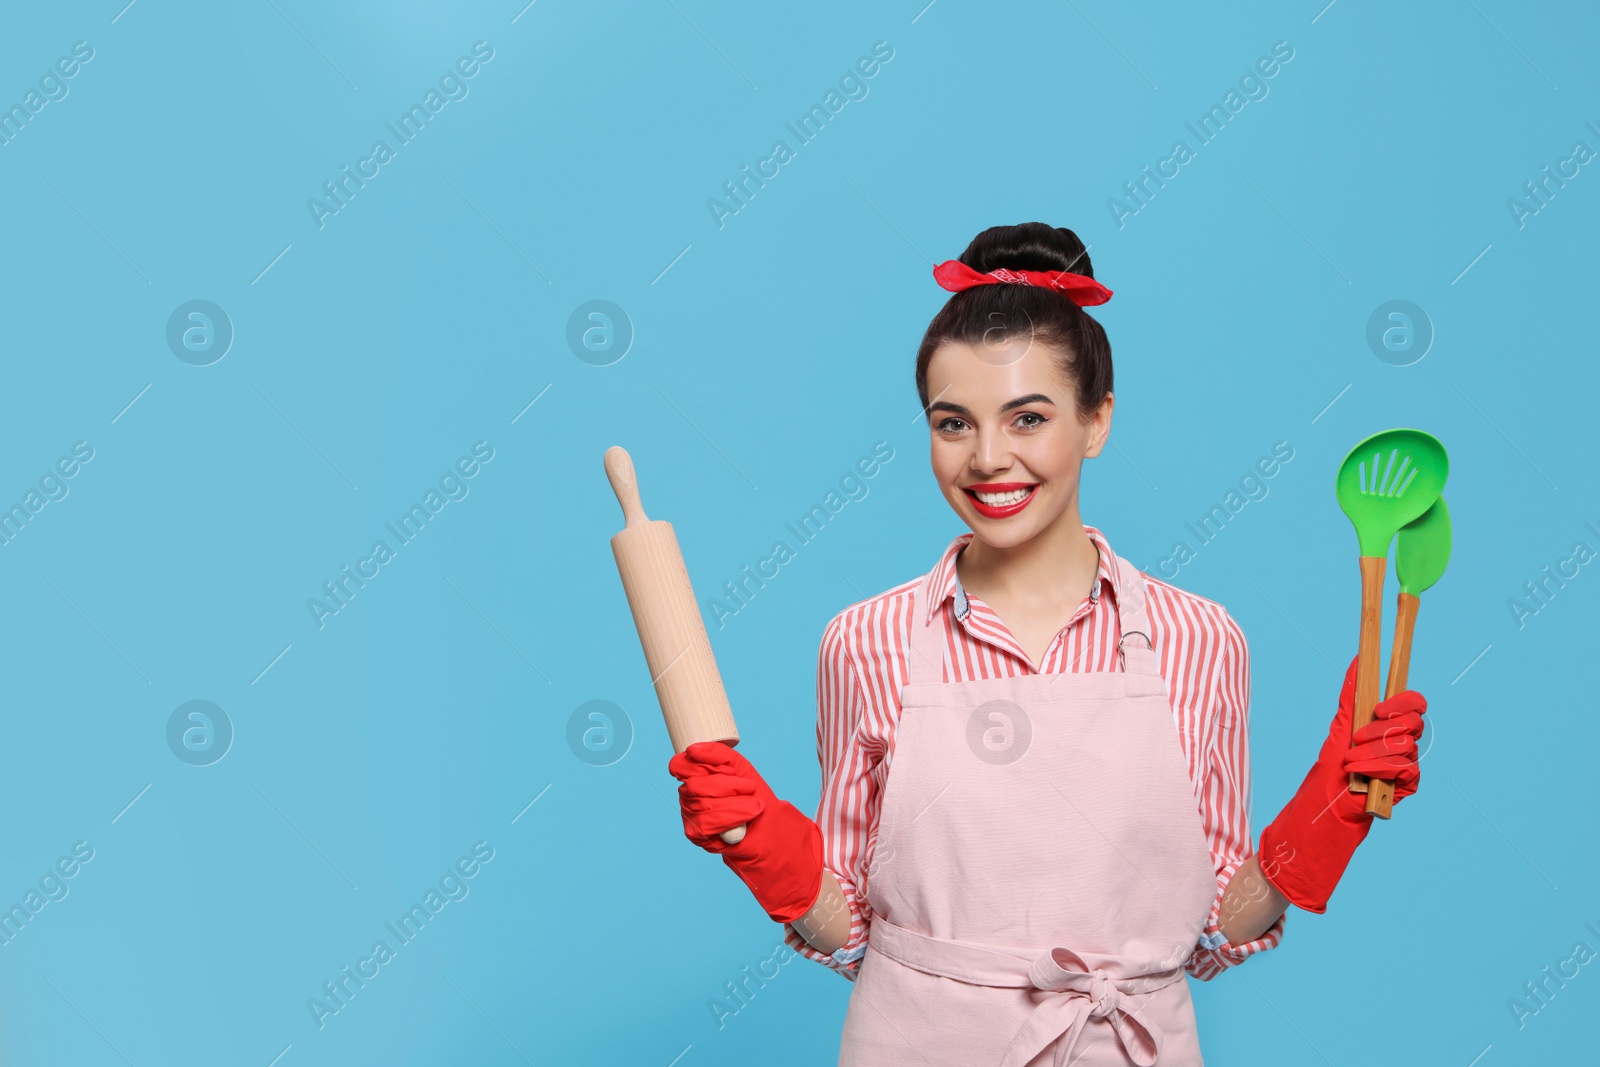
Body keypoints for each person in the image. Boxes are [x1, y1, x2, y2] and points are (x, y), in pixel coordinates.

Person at [668, 222, 1428, 1066]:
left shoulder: (1201, 640)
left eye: (1027, 417)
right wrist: (766, 849)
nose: (989, 459)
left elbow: (1211, 928)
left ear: (1096, 420)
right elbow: (850, 930)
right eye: (953, 423)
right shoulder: (866, 641)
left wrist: (1327, 819)